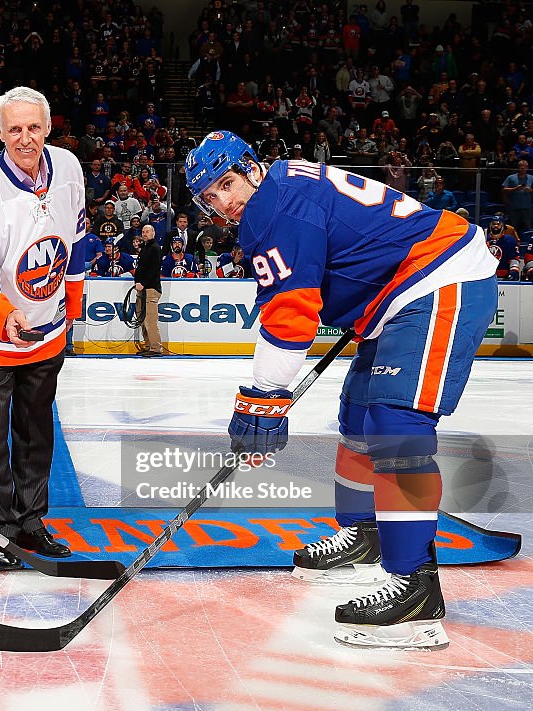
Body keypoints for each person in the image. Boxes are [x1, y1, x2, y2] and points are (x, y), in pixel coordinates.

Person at [184, 131, 497, 650]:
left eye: (227, 183)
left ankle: (415, 586)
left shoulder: (273, 207)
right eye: (211, 197)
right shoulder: (281, 188)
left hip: (440, 276)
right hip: (395, 293)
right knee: (356, 418)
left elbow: (290, 314)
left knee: (397, 428)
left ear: (251, 169)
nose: (225, 202)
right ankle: (364, 535)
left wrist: (264, 397)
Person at [0, 87, 86, 570]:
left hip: (48, 332)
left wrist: (70, 306)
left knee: (36, 434)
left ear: (48, 127)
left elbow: (77, 237)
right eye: (15, 129)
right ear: (0, 133)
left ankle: (32, 521)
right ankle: (1, 531)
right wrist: (1, 314)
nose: (25, 138)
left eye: (33, 127)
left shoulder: (69, 168)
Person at [133, 223, 163, 356]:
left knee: (150, 319)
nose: (145, 234)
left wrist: (143, 283)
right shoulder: (145, 248)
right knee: (142, 318)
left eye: (147, 232)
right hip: (142, 289)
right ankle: (148, 345)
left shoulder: (155, 248)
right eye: (143, 232)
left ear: (153, 233)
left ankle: (156, 348)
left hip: (150, 288)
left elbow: (154, 269)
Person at [502, 160, 533, 234]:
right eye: (521, 167)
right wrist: (515, 189)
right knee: (513, 228)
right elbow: (504, 189)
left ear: (527, 168)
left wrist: (531, 190)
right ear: (518, 167)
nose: (522, 168)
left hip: (527, 208)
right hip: (514, 208)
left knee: (528, 228)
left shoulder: (531, 178)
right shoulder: (511, 177)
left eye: (524, 167)